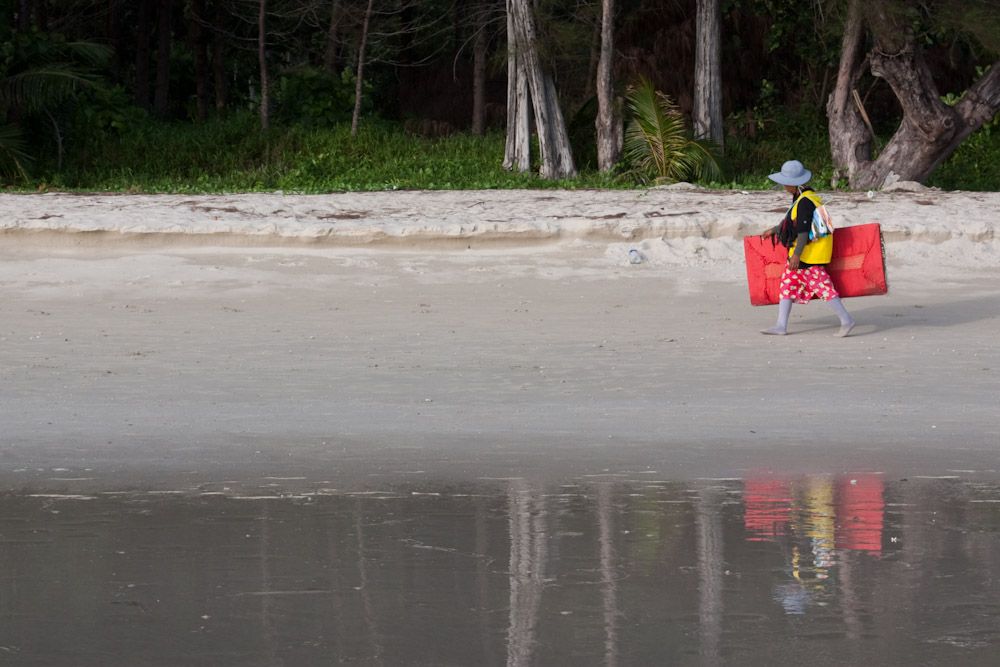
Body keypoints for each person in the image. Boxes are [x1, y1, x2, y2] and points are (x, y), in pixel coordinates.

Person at [760, 160, 855, 337]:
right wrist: (773, 230)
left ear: (793, 183)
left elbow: (803, 232)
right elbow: (791, 222)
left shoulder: (805, 202)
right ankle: (781, 325)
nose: (784, 187)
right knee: (786, 285)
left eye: (785, 183)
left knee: (824, 287)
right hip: (806, 254)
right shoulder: (805, 195)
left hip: (808, 256)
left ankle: (846, 320)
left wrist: (796, 255)